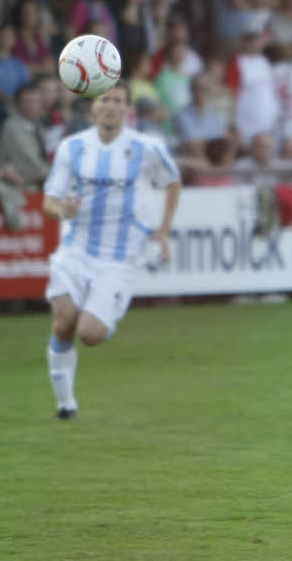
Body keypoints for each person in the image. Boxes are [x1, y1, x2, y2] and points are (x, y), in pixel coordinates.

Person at [42, 82, 181, 420]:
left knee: (90, 334)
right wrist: (64, 212)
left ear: (127, 110)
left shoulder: (146, 147)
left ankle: (106, 312)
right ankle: (65, 404)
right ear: (93, 108)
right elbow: (49, 200)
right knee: (63, 321)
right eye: (105, 100)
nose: (110, 106)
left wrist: (162, 231)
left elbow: (172, 182)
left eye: (118, 101)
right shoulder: (72, 148)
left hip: (119, 259)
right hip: (75, 252)